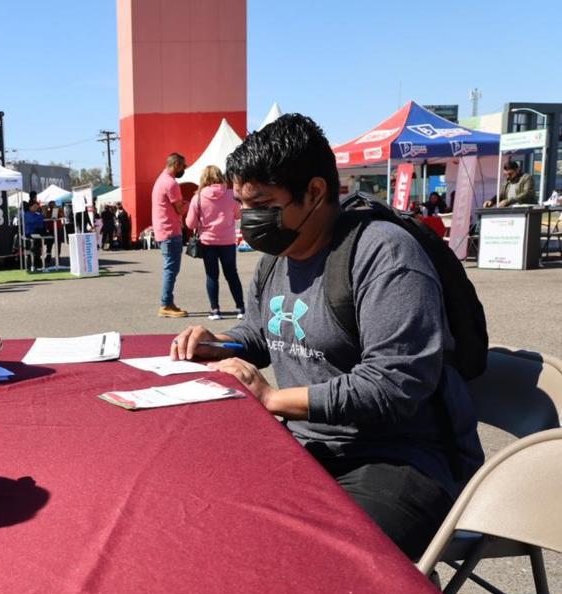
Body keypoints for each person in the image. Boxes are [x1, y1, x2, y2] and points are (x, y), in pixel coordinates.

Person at [170, 113, 482, 561]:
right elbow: (264, 333)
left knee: (314, 562)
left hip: (398, 458)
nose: (250, 219)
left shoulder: (384, 254)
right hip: (306, 447)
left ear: (315, 192)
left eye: (262, 204)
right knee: (205, 516)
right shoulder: (277, 258)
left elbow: (394, 383)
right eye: (243, 204)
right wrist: (221, 344)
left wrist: (273, 399)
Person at [185, 165, 245, 321]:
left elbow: (190, 224)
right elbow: (238, 215)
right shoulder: (232, 194)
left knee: (212, 276)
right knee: (232, 274)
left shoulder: (197, 197)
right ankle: (240, 308)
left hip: (208, 242)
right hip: (228, 241)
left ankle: (215, 310)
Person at [152, 152, 189, 318]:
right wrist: (191, 203)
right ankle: (166, 304)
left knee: (170, 268)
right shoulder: (171, 183)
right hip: (170, 230)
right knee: (171, 269)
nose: (184, 169)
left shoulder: (160, 180)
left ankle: (168, 302)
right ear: (176, 165)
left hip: (163, 230)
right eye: (183, 166)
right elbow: (179, 208)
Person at [22, 200, 47, 272]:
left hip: (36, 233)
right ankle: (33, 261)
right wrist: (41, 216)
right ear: (30, 207)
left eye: (37, 207)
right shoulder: (27, 214)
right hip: (29, 233)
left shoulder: (37, 214)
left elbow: (41, 223)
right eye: (34, 206)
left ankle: (37, 260)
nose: (36, 208)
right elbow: (34, 221)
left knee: (39, 244)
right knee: (36, 245)